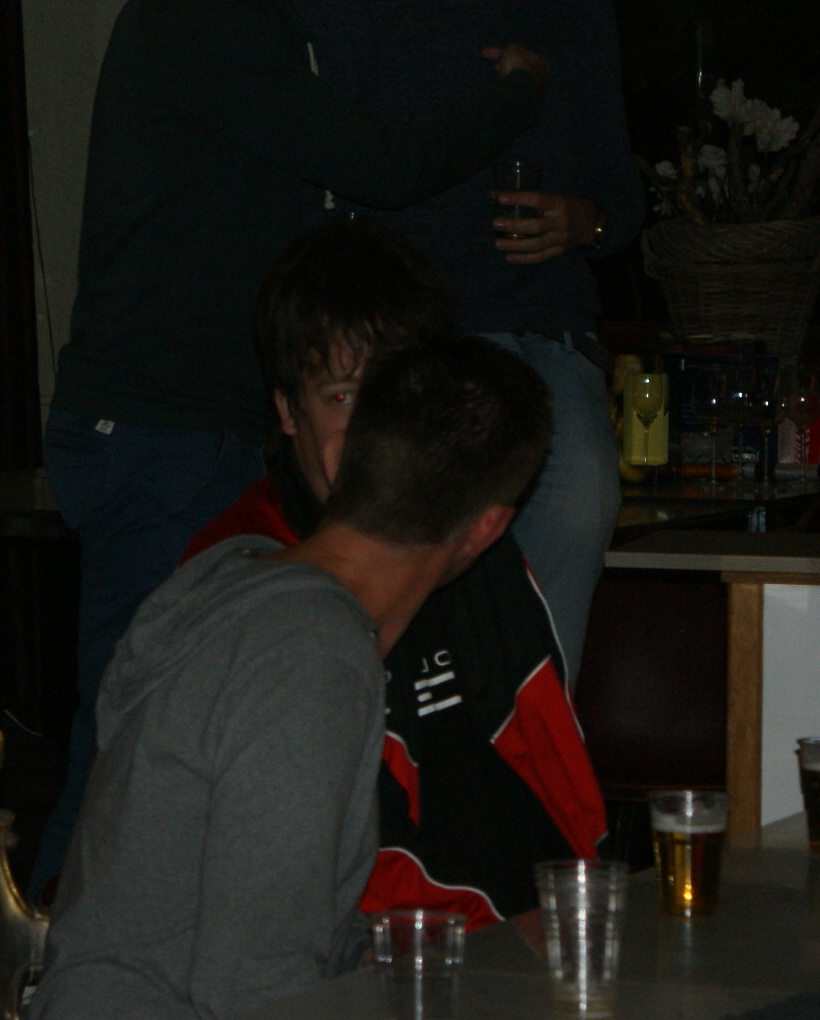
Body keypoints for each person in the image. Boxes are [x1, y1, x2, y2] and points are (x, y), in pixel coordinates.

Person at [30, 0, 553, 892]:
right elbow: (375, 164)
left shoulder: (248, 16)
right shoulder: (197, 18)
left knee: (171, 718)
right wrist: (512, 97)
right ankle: (54, 969)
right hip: (160, 428)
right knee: (131, 730)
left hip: (193, 425)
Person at [33, 335, 553, 1020]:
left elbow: (283, 937)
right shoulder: (311, 658)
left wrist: (481, 953)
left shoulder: (232, 574)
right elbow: (255, 988)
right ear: (486, 528)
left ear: (341, 455)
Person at [289, 0, 644, 682]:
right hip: (409, 348)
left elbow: (622, 194)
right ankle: (397, 749)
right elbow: (318, 184)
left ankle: (532, 748)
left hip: (545, 337)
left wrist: (584, 220)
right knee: (411, 568)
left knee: (579, 498)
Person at [182, 221, 607, 928]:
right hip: (387, 956)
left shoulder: (470, 537)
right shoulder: (250, 572)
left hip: (510, 936)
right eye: (342, 396)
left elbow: (554, 766)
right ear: (286, 409)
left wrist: (581, 909)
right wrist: (513, 938)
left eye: (390, 395)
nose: (372, 432)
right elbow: (331, 871)